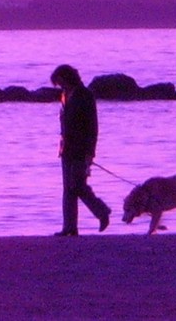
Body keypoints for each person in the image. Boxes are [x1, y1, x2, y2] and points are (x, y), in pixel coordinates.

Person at [51, 64, 111, 236]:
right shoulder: (65, 95)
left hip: (81, 149)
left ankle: (101, 211)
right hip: (66, 149)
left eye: (61, 82)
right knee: (68, 189)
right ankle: (69, 227)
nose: (61, 86)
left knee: (77, 185)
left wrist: (90, 153)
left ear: (68, 78)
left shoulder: (85, 95)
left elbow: (93, 127)